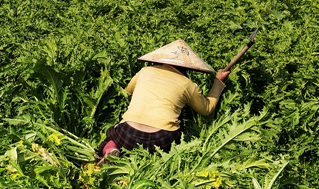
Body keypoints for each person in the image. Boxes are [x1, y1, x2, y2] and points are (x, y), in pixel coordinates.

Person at [98, 39, 230, 161]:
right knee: (177, 132)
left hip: (128, 133)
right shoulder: (187, 84)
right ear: (187, 68)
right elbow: (206, 109)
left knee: (111, 136)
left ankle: (111, 150)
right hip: (161, 139)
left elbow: (126, 92)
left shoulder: (145, 71)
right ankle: (157, 161)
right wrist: (218, 82)